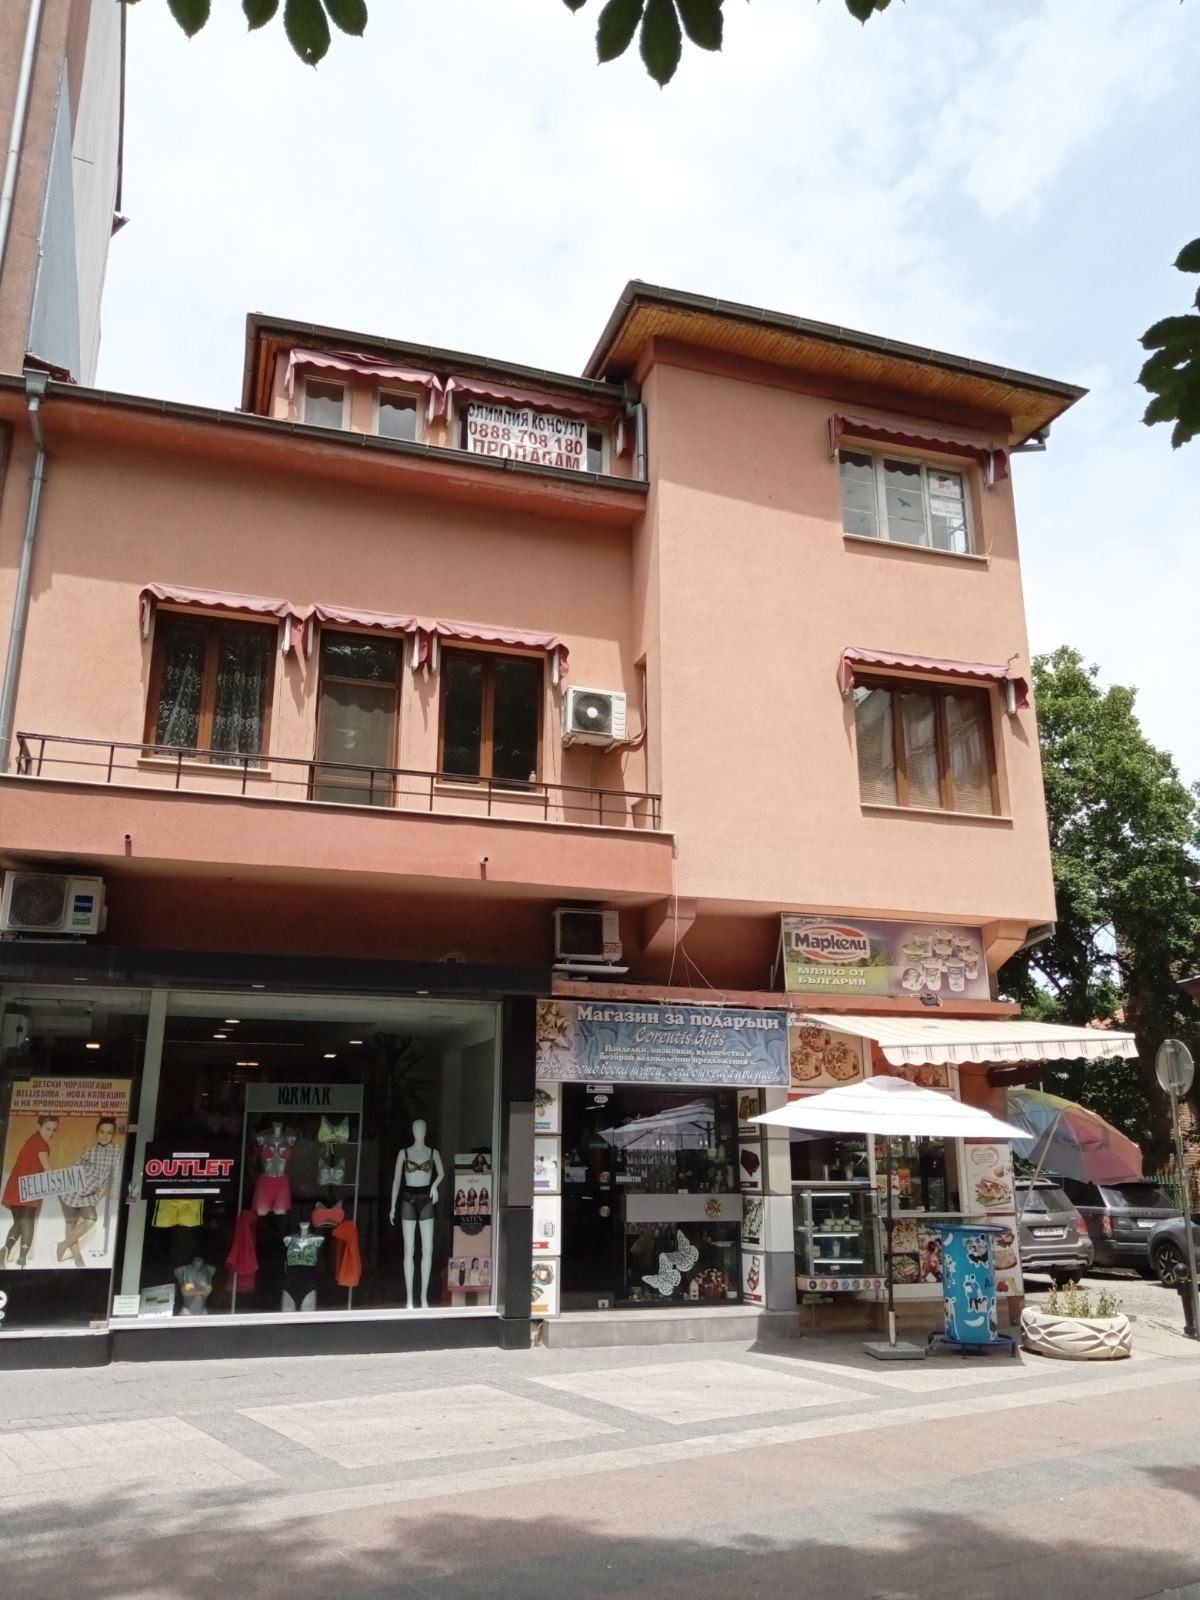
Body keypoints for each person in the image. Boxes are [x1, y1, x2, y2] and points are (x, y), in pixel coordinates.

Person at [57, 1116, 121, 1267]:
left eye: (109, 1133)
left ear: (113, 1134)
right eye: (102, 1132)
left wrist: (104, 1193)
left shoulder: (117, 1150)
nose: (105, 1136)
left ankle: (63, 1244)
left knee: (91, 1219)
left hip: (91, 1192)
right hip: (74, 1187)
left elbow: (116, 1175)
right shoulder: (90, 1150)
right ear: (97, 1132)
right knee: (71, 1221)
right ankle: (77, 1256)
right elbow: (76, 1168)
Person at [2, 1114, 58, 1268]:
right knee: (27, 1222)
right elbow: (47, 1168)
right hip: (29, 1187)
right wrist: (61, 1183)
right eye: (47, 1129)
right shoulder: (42, 1145)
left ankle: (5, 1250)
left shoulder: (31, 1140)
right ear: (38, 1127)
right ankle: (22, 1259)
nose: (51, 1133)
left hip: (15, 1186)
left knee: (19, 1222)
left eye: (54, 1130)